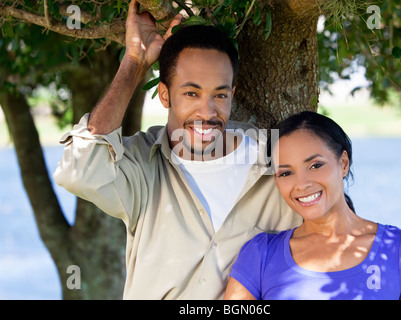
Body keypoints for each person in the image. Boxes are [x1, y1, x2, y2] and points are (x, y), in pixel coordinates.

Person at [52, 0, 301, 299]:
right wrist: (135, 61)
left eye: (219, 95)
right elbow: (80, 171)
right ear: (165, 95)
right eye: (191, 93)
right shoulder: (143, 164)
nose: (207, 111)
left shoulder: (280, 161)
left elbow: (333, 239)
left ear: (232, 93)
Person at [224, 111, 401, 300]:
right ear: (277, 181)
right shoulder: (261, 255)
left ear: (343, 163)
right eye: (286, 173)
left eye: (315, 165)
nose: (302, 184)